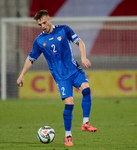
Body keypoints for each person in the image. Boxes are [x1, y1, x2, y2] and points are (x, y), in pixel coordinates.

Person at [17, 10, 97, 146]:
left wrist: (83, 57)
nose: (42, 26)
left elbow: (80, 42)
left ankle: (85, 123)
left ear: (50, 19)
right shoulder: (39, 41)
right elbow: (30, 59)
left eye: (44, 22)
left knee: (86, 90)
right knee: (69, 103)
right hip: (61, 77)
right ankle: (68, 136)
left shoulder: (64, 30)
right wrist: (21, 75)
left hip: (74, 70)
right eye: (39, 24)